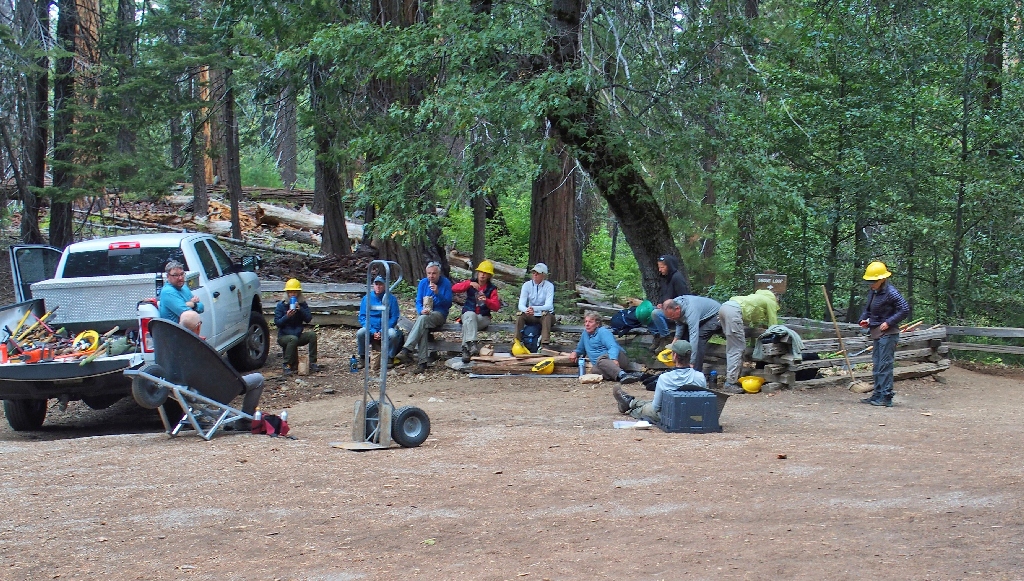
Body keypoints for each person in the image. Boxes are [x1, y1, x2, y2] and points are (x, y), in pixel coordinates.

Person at [178, 309, 264, 425]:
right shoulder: (199, 347)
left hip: (182, 391)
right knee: (258, 379)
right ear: (198, 327)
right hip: (210, 392)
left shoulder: (172, 347)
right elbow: (216, 374)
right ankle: (245, 421)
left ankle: (227, 416)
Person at [613, 340, 706, 422]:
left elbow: (656, 407)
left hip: (669, 415)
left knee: (645, 409)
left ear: (675, 356)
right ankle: (630, 402)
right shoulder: (700, 376)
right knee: (651, 403)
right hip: (692, 415)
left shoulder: (665, 378)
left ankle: (629, 406)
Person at [858, 261, 910, 407]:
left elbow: (904, 309)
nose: (871, 284)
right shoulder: (873, 291)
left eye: (873, 281)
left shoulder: (891, 293)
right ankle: (877, 393)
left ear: (882, 279)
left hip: (889, 333)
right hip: (876, 331)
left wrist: (889, 322)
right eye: (869, 281)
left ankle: (886, 396)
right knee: (877, 364)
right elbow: (868, 310)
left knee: (884, 365)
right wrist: (863, 320)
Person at [718, 289, 779, 393]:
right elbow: (773, 323)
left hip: (724, 307)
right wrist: (777, 334)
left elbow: (755, 322)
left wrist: (753, 342)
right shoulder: (770, 301)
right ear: (776, 299)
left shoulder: (758, 297)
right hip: (734, 312)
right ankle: (730, 383)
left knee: (732, 347)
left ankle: (732, 379)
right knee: (738, 348)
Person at [398, 261, 454, 372]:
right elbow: (418, 301)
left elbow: (448, 304)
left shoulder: (446, 283)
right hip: (425, 314)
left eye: (434, 273)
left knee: (422, 320)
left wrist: (438, 293)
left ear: (439, 274)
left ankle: (407, 349)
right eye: (429, 273)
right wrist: (420, 310)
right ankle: (422, 363)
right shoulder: (423, 283)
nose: (431, 276)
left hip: (439, 314)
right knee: (423, 325)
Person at [568, 310, 642, 384]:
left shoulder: (603, 332)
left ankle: (623, 375)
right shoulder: (585, 334)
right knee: (595, 370)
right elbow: (580, 349)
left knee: (600, 360)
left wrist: (614, 359)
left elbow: (613, 346)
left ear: (597, 324)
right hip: (602, 365)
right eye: (586, 321)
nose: (587, 324)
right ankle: (627, 376)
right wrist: (575, 353)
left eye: (590, 322)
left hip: (618, 358)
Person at [452, 260, 501, 363]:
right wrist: (469, 284)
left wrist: (487, 301)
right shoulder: (470, 283)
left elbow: (496, 307)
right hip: (469, 314)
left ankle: (466, 350)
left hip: (483, 318)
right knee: (470, 315)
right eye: (481, 272)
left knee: (468, 322)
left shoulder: (492, 289)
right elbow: (454, 288)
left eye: (486, 273)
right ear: (477, 273)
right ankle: (472, 344)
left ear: (489, 276)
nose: (482, 275)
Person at [660, 295, 723, 376]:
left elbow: (694, 336)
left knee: (699, 338)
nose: (672, 319)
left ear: (677, 309)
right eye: (669, 318)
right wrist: (674, 344)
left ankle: (695, 372)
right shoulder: (675, 304)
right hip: (701, 317)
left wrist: (692, 362)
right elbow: (679, 323)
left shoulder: (691, 311)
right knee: (684, 339)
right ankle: (682, 367)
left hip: (717, 316)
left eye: (672, 316)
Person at [274, 278, 323, 376]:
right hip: (284, 337)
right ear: (287, 293)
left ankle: (313, 362)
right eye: (290, 292)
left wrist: (300, 309)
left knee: (312, 335)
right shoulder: (281, 305)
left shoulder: (302, 304)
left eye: (295, 292)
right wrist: (287, 316)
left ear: (299, 293)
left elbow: (308, 319)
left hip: (297, 335)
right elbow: (278, 323)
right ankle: (286, 365)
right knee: (293, 339)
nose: (292, 294)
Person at [356, 276, 404, 364]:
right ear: (373, 285)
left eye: (381, 284)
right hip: (371, 327)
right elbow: (362, 317)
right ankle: (363, 357)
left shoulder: (391, 299)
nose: (378, 287)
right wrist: (372, 331)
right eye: (376, 284)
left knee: (393, 334)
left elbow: (394, 317)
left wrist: (382, 331)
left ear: (385, 286)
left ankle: (390, 357)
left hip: (386, 327)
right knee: (360, 333)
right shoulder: (367, 298)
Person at [647, 255, 690, 352]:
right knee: (647, 311)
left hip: (675, 312)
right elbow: (664, 295)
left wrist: (668, 307)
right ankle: (657, 335)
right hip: (665, 309)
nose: (660, 270)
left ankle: (666, 338)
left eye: (662, 267)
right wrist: (660, 303)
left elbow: (684, 299)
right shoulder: (665, 278)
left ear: (669, 266)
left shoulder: (677, 278)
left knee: (655, 313)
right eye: (659, 267)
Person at [515, 262, 555, 346]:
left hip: (544, 315)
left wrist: (534, 308)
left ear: (543, 275)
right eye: (533, 273)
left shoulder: (549, 286)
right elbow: (521, 304)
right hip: (531, 314)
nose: (535, 275)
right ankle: (517, 342)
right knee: (520, 316)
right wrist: (527, 310)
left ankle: (544, 344)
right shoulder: (526, 285)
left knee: (547, 316)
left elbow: (549, 306)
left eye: (538, 273)